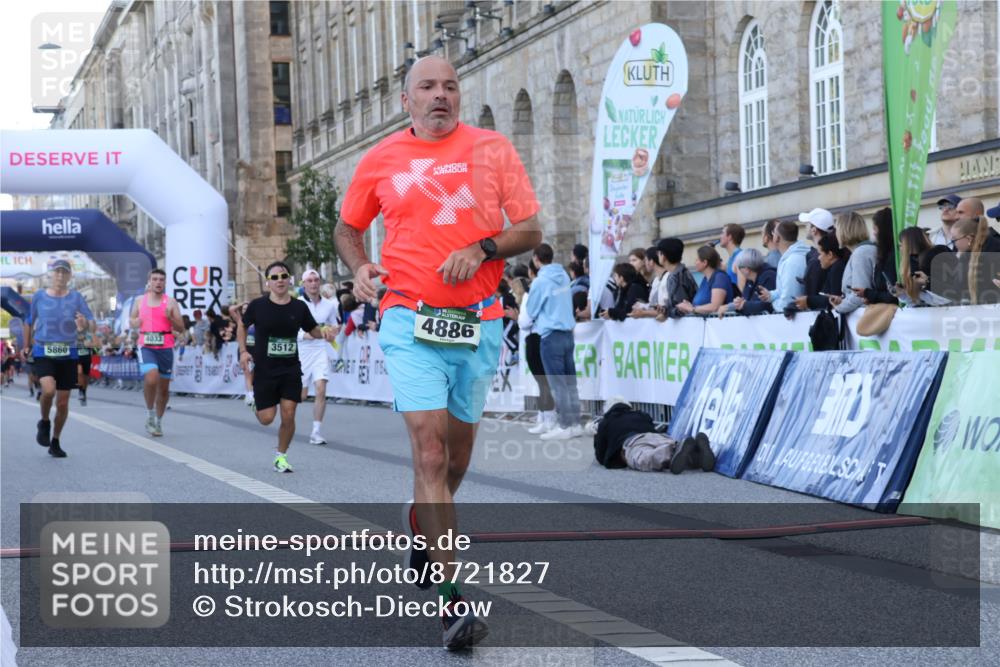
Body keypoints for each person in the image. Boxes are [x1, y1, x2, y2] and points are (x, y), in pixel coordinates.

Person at [333, 54, 542, 650]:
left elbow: (530, 231)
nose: (440, 95)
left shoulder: (492, 149)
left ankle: (422, 525)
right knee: (428, 454)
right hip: (408, 319)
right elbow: (347, 228)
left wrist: (482, 248)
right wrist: (360, 267)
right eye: (427, 87)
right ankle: (454, 605)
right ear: (407, 101)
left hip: (478, 323)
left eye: (450, 86)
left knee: (455, 462)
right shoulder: (381, 160)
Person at [237, 261, 335, 472]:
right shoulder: (258, 306)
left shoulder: (299, 307)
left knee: (289, 413)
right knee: (266, 418)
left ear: (289, 279)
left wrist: (325, 332)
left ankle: (281, 456)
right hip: (265, 369)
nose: (280, 280)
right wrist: (244, 351)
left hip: (290, 368)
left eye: (283, 276)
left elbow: (312, 329)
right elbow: (242, 326)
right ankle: (256, 403)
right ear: (267, 283)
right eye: (275, 278)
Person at [23, 259, 95, 458]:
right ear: (51, 275)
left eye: (64, 273)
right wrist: (26, 345)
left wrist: (84, 324)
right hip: (44, 350)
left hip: (68, 353)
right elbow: (29, 321)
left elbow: (90, 321)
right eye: (57, 272)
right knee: (48, 390)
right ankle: (44, 421)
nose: (60, 276)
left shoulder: (77, 297)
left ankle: (55, 441)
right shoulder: (38, 296)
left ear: (70, 276)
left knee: (63, 403)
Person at [526, 243, 582, 441]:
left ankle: (565, 425)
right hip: (568, 333)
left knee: (557, 383)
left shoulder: (540, 281)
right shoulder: (564, 275)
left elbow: (531, 311)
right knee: (570, 382)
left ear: (536, 259)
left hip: (550, 334)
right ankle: (575, 423)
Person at [130, 269, 186, 437]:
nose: (158, 282)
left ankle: (158, 422)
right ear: (149, 281)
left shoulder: (171, 302)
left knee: (163, 389)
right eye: (155, 279)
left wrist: (170, 317)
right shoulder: (140, 301)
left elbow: (181, 328)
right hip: (146, 344)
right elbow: (132, 319)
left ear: (165, 282)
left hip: (166, 346)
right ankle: (149, 413)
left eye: (161, 279)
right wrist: (135, 322)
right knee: (151, 376)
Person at [593, 398, 714, 474]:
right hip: (656, 436)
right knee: (671, 445)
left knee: (645, 458)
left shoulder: (606, 421)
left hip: (632, 442)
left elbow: (600, 454)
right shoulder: (640, 414)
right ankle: (695, 453)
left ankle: (672, 451)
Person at [297, 268, 342, 445]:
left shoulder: (329, 305)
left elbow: (334, 326)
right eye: (310, 280)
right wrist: (304, 336)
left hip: (320, 351)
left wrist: (332, 333)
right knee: (300, 395)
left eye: (316, 280)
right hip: (302, 352)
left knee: (321, 389)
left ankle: (316, 431)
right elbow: (289, 329)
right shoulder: (297, 304)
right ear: (304, 284)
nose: (314, 284)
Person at [517, 279, 557, 434]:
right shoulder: (551, 293)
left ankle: (549, 418)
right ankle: (544, 416)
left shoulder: (530, 295)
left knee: (542, 380)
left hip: (535, 337)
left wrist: (521, 319)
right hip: (547, 336)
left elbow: (524, 322)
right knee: (545, 380)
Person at [830, 212, 877, 314]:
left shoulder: (861, 253)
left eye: (837, 230)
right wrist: (843, 300)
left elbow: (859, 295)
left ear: (844, 230)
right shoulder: (862, 251)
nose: (835, 234)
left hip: (867, 318)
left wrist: (839, 308)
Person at [758, 221, 810, 313]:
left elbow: (789, 300)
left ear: (777, 238)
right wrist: (770, 295)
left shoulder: (792, 262)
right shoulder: (790, 257)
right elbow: (784, 290)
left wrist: (773, 304)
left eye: (773, 234)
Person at [675, 246, 733, 315]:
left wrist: (692, 309)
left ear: (705, 262)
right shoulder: (705, 279)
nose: (695, 262)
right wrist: (689, 306)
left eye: (697, 260)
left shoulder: (720, 277)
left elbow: (715, 306)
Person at [796, 234, 849, 310]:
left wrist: (808, 301)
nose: (818, 257)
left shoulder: (837, 269)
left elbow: (835, 300)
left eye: (820, 254)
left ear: (830, 255)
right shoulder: (834, 268)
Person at [655, 237, 698, 320]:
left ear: (663, 256)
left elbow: (681, 309)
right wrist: (665, 309)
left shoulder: (676, 277)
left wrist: (666, 312)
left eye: (658, 253)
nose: (657, 255)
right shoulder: (682, 272)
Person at [724, 248, 775, 316]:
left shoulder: (769, 276)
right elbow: (745, 300)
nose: (738, 270)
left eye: (739, 267)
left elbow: (766, 304)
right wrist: (738, 303)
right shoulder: (750, 281)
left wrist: (744, 305)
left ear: (746, 269)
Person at [631, 246, 668, 318]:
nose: (645, 263)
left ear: (651, 262)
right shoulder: (656, 280)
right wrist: (642, 306)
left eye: (645, 260)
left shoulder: (668, 278)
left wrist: (644, 312)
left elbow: (667, 307)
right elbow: (653, 304)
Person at [719, 223, 745, 288]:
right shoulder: (732, 258)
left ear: (730, 237)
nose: (720, 236)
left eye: (722, 233)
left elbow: (742, 289)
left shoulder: (740, 257)